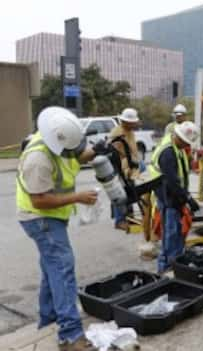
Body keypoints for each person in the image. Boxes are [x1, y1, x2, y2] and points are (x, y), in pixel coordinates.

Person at [16, 107, 109, 351]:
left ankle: (48, 319)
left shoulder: (60, 141)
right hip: (39, 217)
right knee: (63, 268)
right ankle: (70, 335)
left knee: (52, 268)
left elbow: (76, 156)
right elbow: (39, 200)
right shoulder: (38, 158)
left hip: (51, 216)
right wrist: (77, 197)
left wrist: (96, 150)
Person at [149, 121, 200, 273]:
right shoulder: (168, 153)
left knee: (177, 232)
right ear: (179, 137)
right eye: (185, 142)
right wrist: (188, 199)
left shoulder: (176, 147)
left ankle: (176, 262)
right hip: (168, 198)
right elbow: (172, 181)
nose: (186, 145)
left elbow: (179, 177)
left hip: (173, 197)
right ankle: (166, 267)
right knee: (171, 235)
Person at [109, 108, 145, 230]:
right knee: (120, 194)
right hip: (118, 167)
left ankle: (129, 217)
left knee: (130, 192)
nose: (135, 124)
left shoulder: (129, 131)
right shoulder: (118, 134)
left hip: (129, 166)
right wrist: (127, 170)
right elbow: (118, 156)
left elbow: (132, 151)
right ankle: (120, 221)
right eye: (133, 122)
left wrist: (136, 165)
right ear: (126, 122)